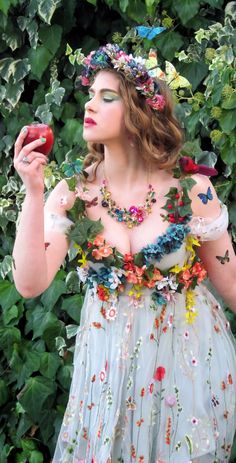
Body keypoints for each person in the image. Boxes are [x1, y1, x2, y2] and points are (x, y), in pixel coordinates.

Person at [13, 43, 236, 463]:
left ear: (139, 112)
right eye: (90, 95)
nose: (89, 104)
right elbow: (29, 283)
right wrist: (33, 190)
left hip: (184, 373)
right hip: (107, 372)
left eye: (106, 96)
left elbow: (233, 286)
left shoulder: (192, 192)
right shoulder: (73, 195)